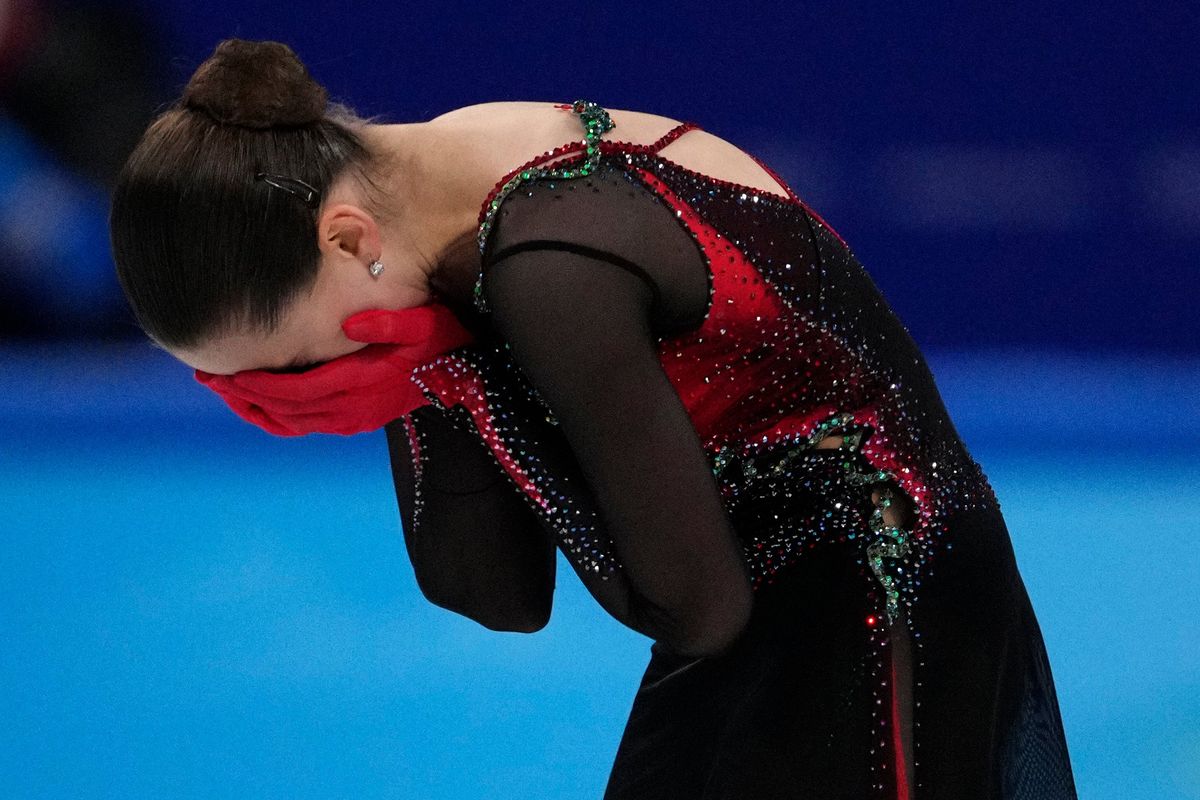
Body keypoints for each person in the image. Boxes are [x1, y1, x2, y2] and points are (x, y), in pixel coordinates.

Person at [109, 38, 1080, 800]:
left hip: (882, 594)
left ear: (343, 238)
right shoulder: (419, 217)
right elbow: (497, 595)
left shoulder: (548, 259)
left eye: (290, 366)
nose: (295, 395)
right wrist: (431, 375)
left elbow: (693, 606)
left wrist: (455, 371)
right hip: (775, 598)